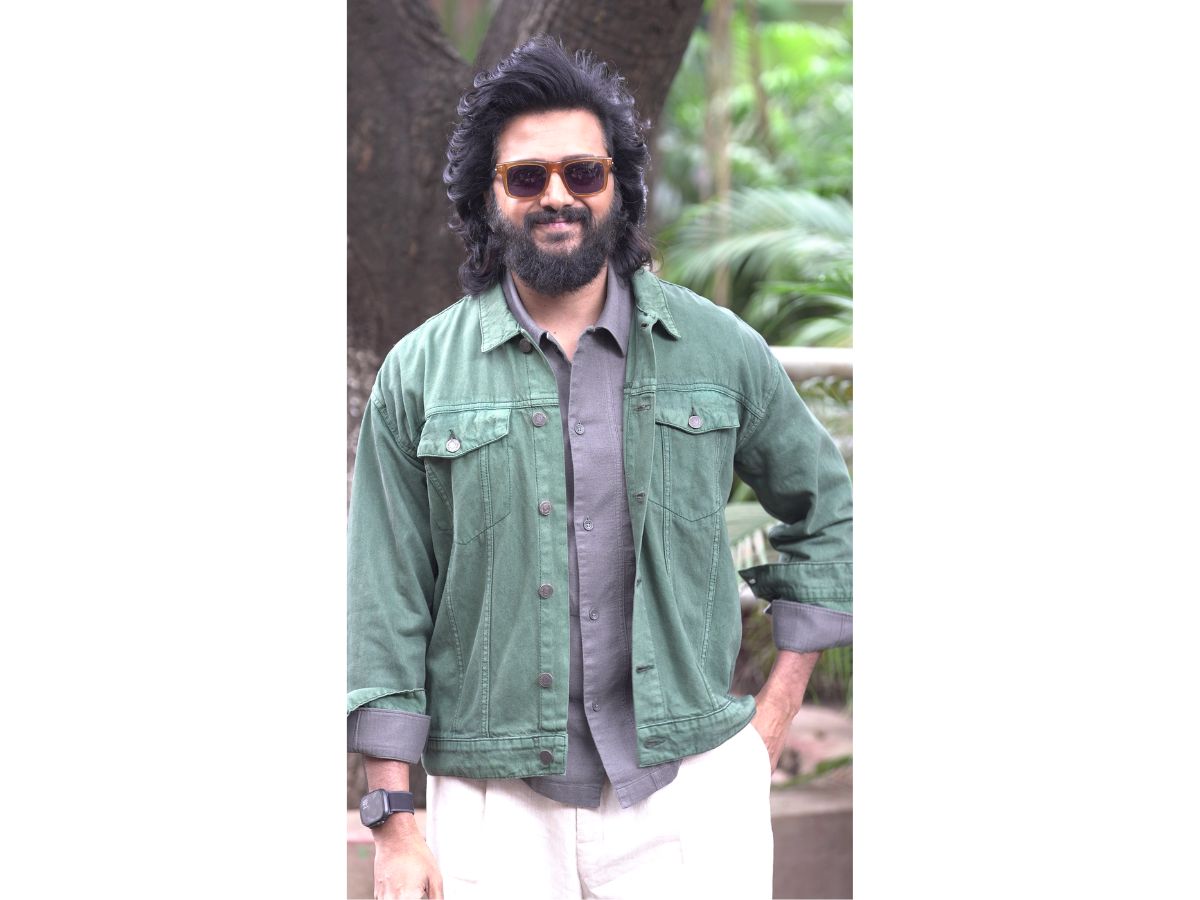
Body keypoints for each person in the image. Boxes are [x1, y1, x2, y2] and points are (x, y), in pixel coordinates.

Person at [347, 35, 852, 900]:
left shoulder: (718, 350)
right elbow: (385, 598)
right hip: (494, 802)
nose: (558, 196)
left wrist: (767, 725)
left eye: (583, 172)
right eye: (526, 177)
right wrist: (394, 822)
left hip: (690, 790)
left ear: (619, 185)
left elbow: (831, 512)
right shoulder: (419, 374)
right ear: (487, 196)